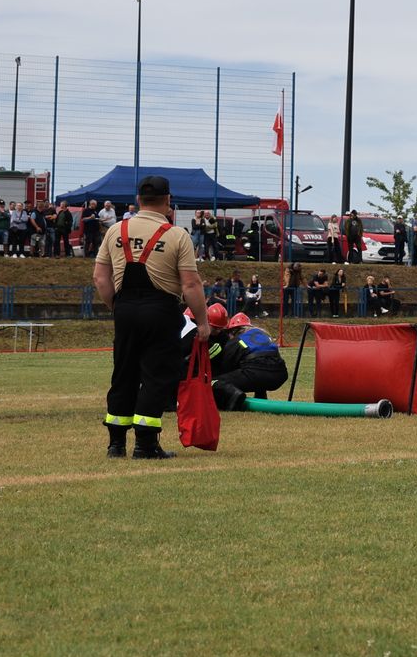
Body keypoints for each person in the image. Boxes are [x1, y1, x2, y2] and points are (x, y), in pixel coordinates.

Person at [94, 175, 210, 460]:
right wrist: (203, 321)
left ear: (138, 201)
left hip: (125, 308)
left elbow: (100, 278)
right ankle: (145, 444)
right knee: (157, 374)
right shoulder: (176, 235)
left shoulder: (115, 230)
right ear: (168, 201)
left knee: (124, 372)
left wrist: (116, 306)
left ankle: (116, 443)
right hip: (161, 310)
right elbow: (191, 285)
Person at [208, 311, 289, 408]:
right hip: (280, 375)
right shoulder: (263, 335)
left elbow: (226, 366)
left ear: (233, 331)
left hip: (256, 374)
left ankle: (234, 398)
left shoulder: (236, 340)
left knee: (213, 381)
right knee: (255, 368)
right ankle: (261, 396)